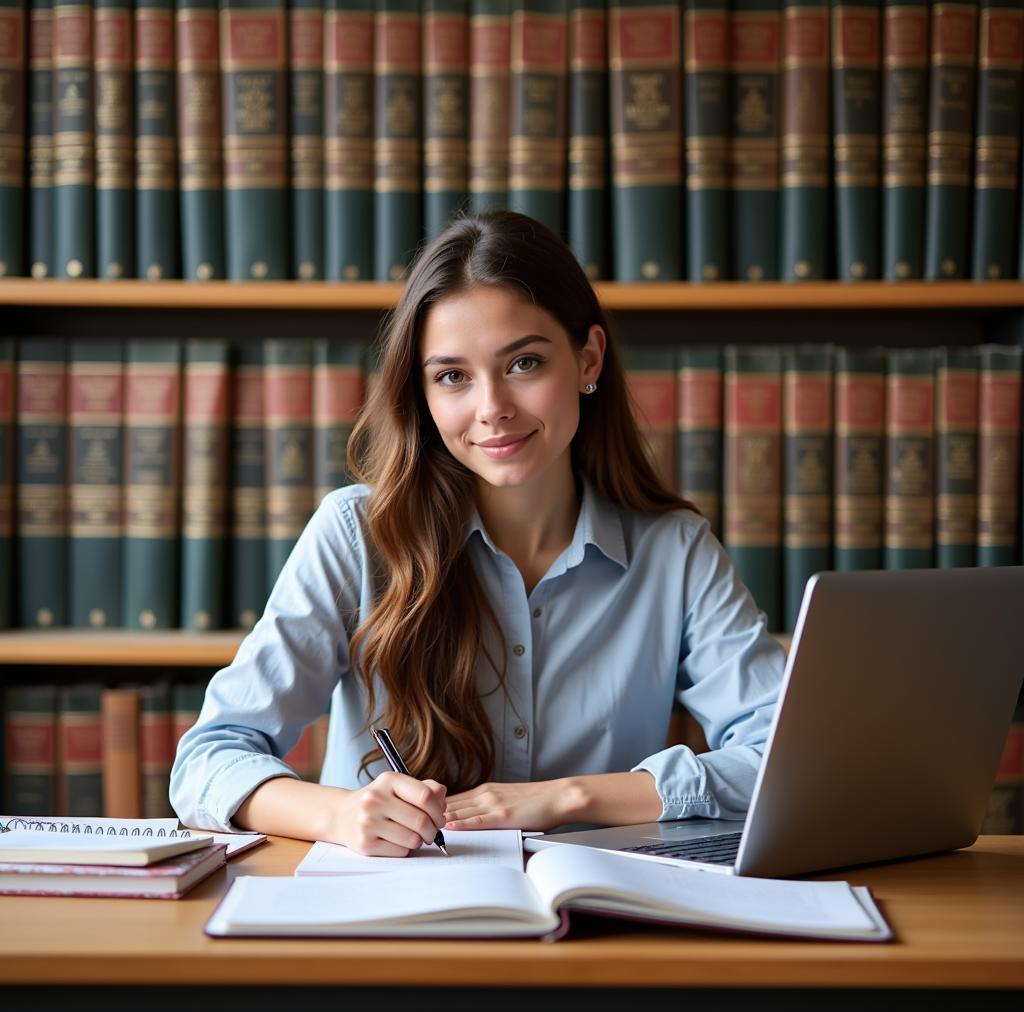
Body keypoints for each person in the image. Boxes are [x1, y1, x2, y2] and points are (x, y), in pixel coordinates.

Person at [169, 211, 785, 856]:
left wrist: (572, 796)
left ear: (587, 359)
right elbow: (208, 759)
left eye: (524, 363)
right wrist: (341, 815)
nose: (492, 407)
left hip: (598, 917)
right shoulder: (356, 533)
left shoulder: (675, 550)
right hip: (393, 921)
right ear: (425, 394)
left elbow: (783, 754)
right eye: (453, 376)